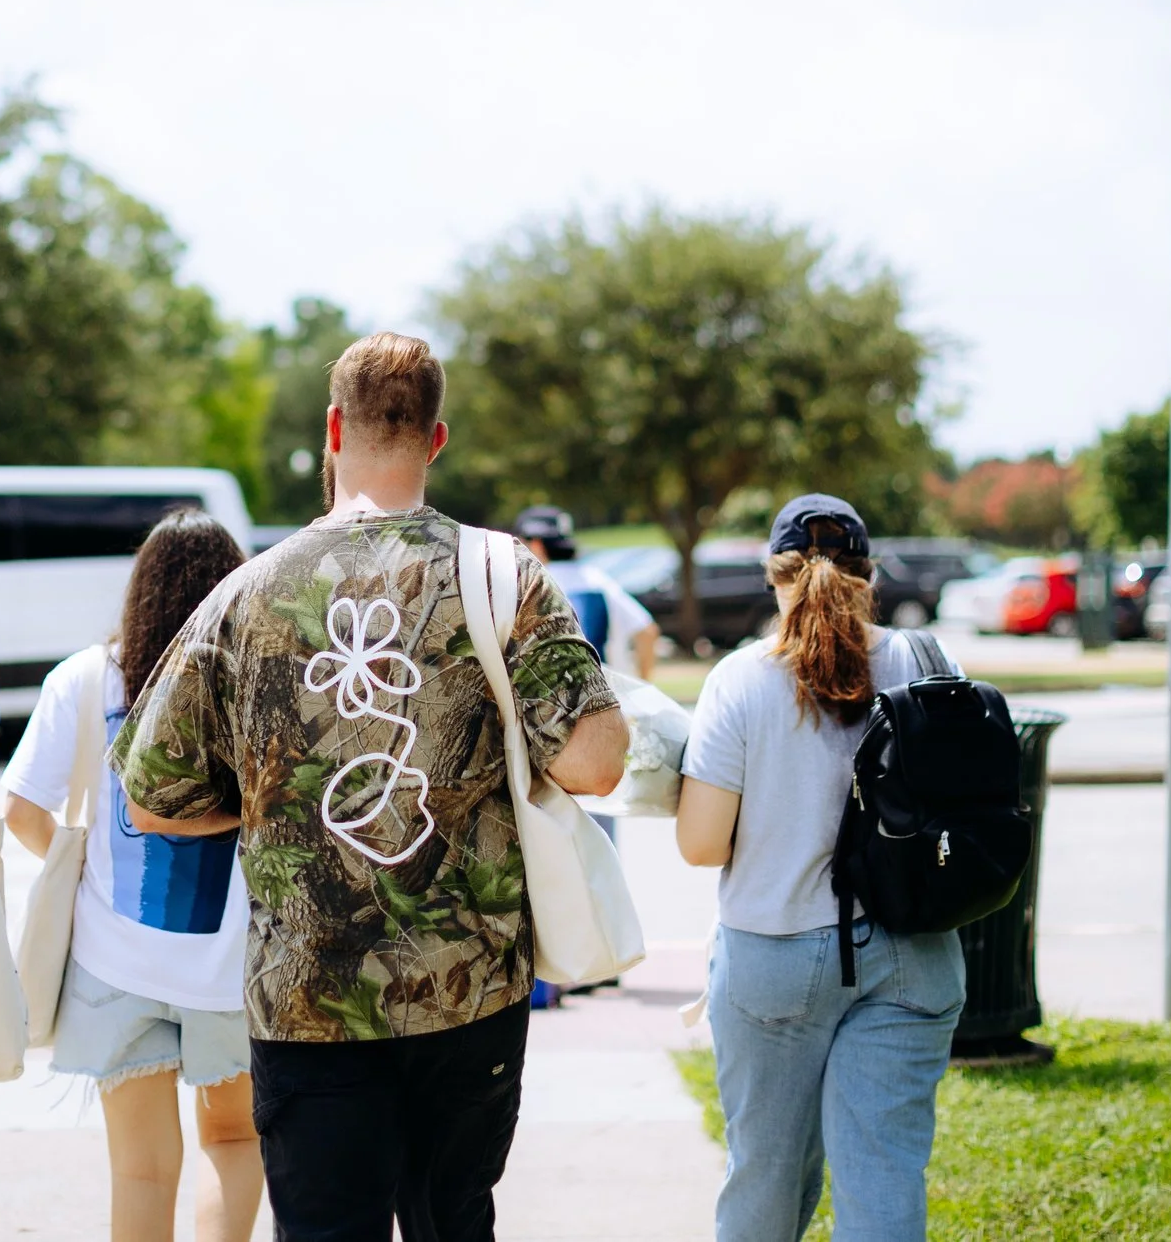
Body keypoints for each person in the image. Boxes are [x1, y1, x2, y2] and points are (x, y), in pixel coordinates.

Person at [115, 332, 630, 1242]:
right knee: (452, 1222)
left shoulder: (245, 594)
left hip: (305, 998)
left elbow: (151, 797)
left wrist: (280, 799)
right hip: (468, 990)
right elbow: (595, 763)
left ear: (331, 428)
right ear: (436, 438)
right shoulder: (504, 575)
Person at [673, 494, 963, 1242]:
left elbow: (702, 843)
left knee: (765, 1181)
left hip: (775, 957)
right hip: (916, 955)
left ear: (776, 577)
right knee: (883, 1179)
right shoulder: (930, 660)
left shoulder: (740, 681)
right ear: (868, 577)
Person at [4, 509, 263, 1242]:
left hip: (114, 963)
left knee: (141, 1168)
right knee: (235, 1141)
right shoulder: (255, 678)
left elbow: (23, 809)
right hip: (231, 963)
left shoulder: (87, 677)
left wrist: (82, 860)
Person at [514, 505, 661, 681]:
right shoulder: (598, 580)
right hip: (609, 696)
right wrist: (641, 686)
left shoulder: (531, 586)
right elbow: (647, 632)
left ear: (536, 545)